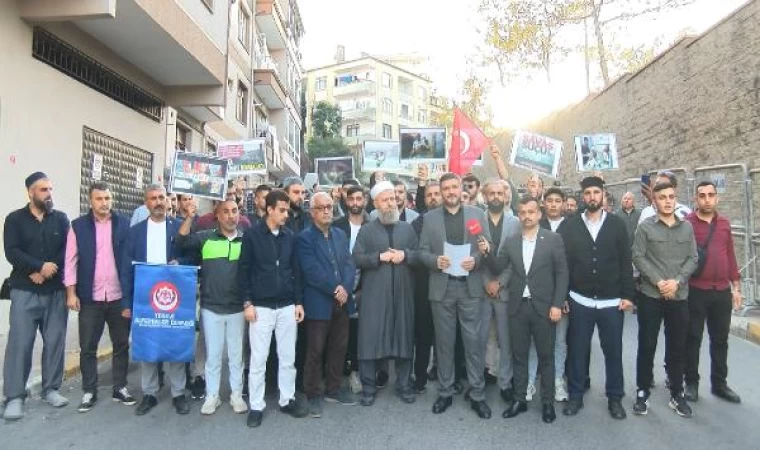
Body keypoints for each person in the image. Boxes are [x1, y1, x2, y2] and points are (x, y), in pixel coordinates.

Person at [560, 176, 634, 420]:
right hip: (580, 299)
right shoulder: (570, 225)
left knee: (613, 351)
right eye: (588, 193)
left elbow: (625, 260)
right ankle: (575, 396)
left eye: (596, 192)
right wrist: (564, 295)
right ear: (583, 196)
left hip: (610, 301)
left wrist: (627, 295)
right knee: (578, 350)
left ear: (603, 195)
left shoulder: (616, 224)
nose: (592, 196)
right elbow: (564, 264)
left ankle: (615, 398)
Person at [419, 173, 493, 419]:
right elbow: (422, 252)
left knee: (473, 344)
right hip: (442, 288)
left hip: (470, 288)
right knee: (444, 344)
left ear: (461, 189)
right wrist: (434, 260)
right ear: (440, 192)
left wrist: (478, 259)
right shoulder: (429, 219)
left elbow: (486, 245)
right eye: (445, 188)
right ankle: (445, 392)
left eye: (453, 187)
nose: (450, 192)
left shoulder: (477, 215)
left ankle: (477, 395)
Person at [490, 196, 569, 423]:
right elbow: (498, 267)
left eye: (531, 212)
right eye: (522, 212)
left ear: (539, 214)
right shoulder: (512, 241)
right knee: (519, 356)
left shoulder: (553, 239)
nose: (526, 216)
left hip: (544, 308)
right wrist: (486, 251)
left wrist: (556, 304)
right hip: (517, 308)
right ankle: (519, 400)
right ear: (519, 214)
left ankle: (547, 403)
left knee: (546, 356)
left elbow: (562, 273)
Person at [2, 172, 70, 420]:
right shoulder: (15, 219)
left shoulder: (61, 219)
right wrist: (36, 267)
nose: (49, 194)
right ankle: (15, 396)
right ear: (30, 192)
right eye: (43, 190)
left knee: (55, 341)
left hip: (54, 291)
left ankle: (51, 389)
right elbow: (12, 251)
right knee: (20, 343)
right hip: (24, 290)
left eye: (50, 189)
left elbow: (67, 251)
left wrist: (49, 269)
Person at [239, 190, 308, 428]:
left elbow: (296, 271)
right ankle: (256, 406)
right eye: (281, 210)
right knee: (258, 359)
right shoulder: (251, 236)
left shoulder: (290, 236)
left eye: (287, 210)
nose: (286, 214)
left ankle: (286, 399)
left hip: (287, 305)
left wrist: (298, 302)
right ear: (269, 209)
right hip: (261, 307)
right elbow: (244, 270)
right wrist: (247, 303)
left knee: (287, 357)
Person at [64, 182, 135, 413]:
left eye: (107, 198)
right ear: (90, 201)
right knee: (87, 347)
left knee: (121, 344)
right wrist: (71, 293)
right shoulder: (78, 226)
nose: (104, 203)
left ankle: (120, 387)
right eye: (99, 199)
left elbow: (132, 258)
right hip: (90, 297)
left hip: (118, 296)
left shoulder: (124, 224)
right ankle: (89, 390)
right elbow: (70, 261)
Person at [632, 181, 698, 418]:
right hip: (651, 296)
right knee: (647, 345)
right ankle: (642, 393)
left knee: (677, 347)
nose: (668, 201)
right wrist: (659, 282)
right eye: (662, 197)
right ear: (655, 201)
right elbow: (638, 257)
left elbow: (693, 258)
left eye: (671, 196)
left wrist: (677, 282)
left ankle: (677, 394)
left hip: (679, 296)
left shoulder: (687, 228)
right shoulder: (645, 228)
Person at [177, 199, 248, 416]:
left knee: (236, 356)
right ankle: (212, 396)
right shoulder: (205, 237)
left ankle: (236, 394)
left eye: (234, 211)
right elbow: (181, 242)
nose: (230, 215)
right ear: (217, 215)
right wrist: (189, 215)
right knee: (214, 356)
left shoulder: (247, 240)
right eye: (225, 211)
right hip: (211, 307)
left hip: (238, 307)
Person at [125, 184, 191, 416]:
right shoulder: (134, 232)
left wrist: (179, 263)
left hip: (173, 296)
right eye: (153, 198)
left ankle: (178, 393)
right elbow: (126, 268)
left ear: (169, 200)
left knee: (174, 345)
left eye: (162, 197)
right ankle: (150, 393)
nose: (158, 202)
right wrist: (127, 303)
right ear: (146, 203)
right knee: (148, 346)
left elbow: (190, 255)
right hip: (144, 299)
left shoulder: (178, 227)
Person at [352, 181, 419, 406]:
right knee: (370, 338)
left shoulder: (407, 229)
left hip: (403, 294)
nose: (391, 203)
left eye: (393, 198)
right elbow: (357, 258)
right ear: (376, 203)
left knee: (403, 337)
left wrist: (405, 255)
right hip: (374, 295)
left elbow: (419, 255)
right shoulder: (367, 230)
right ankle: (369, 387)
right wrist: (378, 258)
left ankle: (404, 384)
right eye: (386, 199)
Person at [298, 192, 357, 417]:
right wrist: (336, 289)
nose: (326, 211)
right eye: (321, 207)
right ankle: (312, 393)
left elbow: (350, 265)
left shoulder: (341, 235)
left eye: (329, 207)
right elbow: (311, 271)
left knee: (339, 347)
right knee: (315, 350)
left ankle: (333, 388)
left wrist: (346, 288)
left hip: (342, 302)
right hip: (319, 303)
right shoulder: (304, 238)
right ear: (311, 212)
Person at [683, 181, 742, 404]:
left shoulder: (725, 224)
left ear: (717, 198)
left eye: (711, 195)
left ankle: (719, 384)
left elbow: (731, 257)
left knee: (720, 340)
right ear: (696, 199)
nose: (707, 199)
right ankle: (691, 383)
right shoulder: (687, 224)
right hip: (697, 290)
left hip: (722, 292)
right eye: (702, 195)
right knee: (693, 338)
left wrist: (736, 287)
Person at [480, 180, 519, 407]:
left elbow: (516, 259)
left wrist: (500, 283)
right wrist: (487, 282)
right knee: (484, 337)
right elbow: (474, 254)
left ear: (506, 197)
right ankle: (485, 377)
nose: (495, 196)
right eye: (491, 193)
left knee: (506, 340)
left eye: (499, 193)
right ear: (485, 196)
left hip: (505, 290)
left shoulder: (515, 223)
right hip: (482, 288)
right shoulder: (476, 220)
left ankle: (505, 383)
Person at [532, 187, 570, 403]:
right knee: (535, 341)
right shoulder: (536, 225)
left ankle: (557, 380)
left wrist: (563, 296)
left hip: (561, 295)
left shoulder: (572, 226)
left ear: (564, 203)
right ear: (543, 204)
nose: (554, 204)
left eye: (558, 200)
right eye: (550, 200)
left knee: (559, 341)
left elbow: (569, 265)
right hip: (537, 294)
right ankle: (532, 380)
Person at [332, 185, 370, 394]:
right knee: (338, 331)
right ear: (346, 201)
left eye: (359, 199)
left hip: (364, 284)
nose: (355, 203)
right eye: (351, 199)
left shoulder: (371, 224)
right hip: (340, 284)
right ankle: (335, 375)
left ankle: (355, 370)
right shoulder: (337, 225)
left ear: (364, 200)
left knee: (357, 331)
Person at [410, 181, 442, 394]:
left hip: (448, 285)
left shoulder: (454, 219)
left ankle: (449, 378)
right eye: (429, 194)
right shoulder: (418, 223)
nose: (433, 198)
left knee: (447, 336)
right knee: (423, 336)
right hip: (422, 286)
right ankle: (419, 377)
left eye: (436, 194)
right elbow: (413, 253)